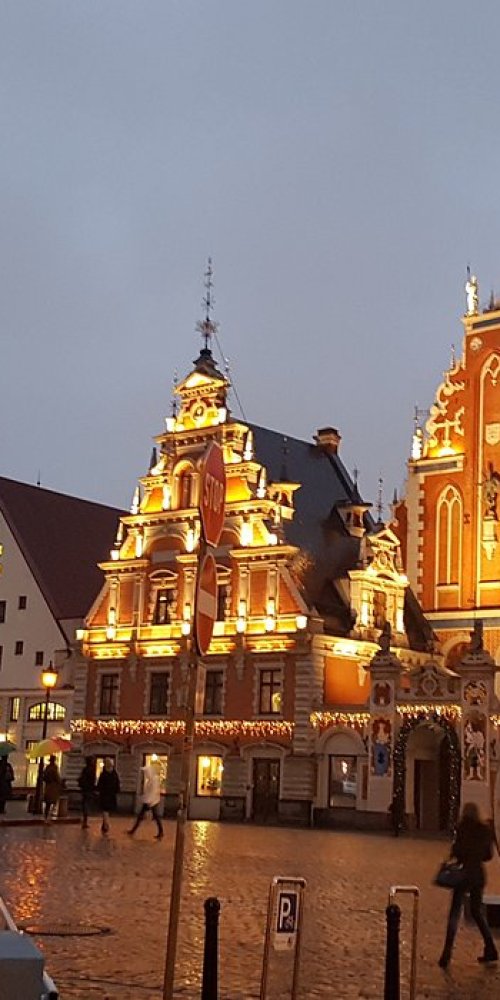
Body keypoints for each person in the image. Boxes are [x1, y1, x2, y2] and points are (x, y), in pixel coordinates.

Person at [438, 802, 498, 969]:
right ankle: (490, 947)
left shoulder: (462, 828)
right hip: (478, 874)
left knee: (454, 913)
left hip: (463, 875)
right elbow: (488, 855)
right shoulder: (484, 830)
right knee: (477, 912)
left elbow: (457, 851)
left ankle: (447, 953)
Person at [127, 762, 164, 840]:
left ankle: (160, 832)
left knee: (152, 816)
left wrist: (148, 801)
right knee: (152, 817)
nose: (145, 774)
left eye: (146, 773)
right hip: (150, 801)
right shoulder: (151, 780)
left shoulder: (153, 780)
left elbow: (153, 792)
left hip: (151, 801)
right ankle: (160, 832)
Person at [97, 758, 120, 835]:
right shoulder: (114, 774)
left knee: (105, 810)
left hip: (104, 795)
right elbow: (117, 785)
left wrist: (99, 790)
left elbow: (99, 785)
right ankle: (104, 825)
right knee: (107, 811)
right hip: (111, 795)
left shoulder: (103, 774)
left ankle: (106, 824)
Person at [78, 756, 96, 829]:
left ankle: (85, 821)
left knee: (85, 804)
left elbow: (81, 778)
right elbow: (92, 780)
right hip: (89, 789)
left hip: (84, 789)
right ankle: (85, 821)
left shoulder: (85, 769)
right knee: (87, 804)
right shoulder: (91, 770)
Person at [42, 755, 62, 821]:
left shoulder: (47, 767)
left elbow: (44, 776)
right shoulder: (54, 768)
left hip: (48, 786)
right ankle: (48, 817)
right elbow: (57, 777)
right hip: (53, 787)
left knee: (48, 803)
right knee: (51, 802)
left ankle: (46, 816)